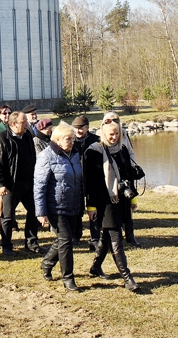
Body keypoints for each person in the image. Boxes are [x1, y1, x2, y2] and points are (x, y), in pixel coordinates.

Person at [84, 115, 141, 292]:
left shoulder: (122, 149)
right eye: (110, 134)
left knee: (107, 237)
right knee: (116, 239)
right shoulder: (93, 152)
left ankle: (95, 266)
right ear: (102, 133)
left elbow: (128, 176)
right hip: (103, 202)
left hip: (120, 199)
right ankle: (128, 278)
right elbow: (89, 183)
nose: (114, 137)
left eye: (117, 133)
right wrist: (91, 207)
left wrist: (132, 198)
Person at [34, 122, 83, 291]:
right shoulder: (47, 156)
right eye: (68, 139)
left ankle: (47, 263)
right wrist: (41, 212)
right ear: (57, 140)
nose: (71, 142)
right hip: (56, 206)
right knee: (66, 241)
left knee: (64, 239)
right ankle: (68, 278)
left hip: (74, 204)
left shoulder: (75, 154)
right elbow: (39, 185)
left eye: (73, 139)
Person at [0, 111, 43, 255]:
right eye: (23, 122)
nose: (26, 125)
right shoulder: (2, 139)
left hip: (28, 182)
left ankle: (31, 242)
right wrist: (0, 184)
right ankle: (7, 246)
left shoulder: (27, 135)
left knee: (34, 211)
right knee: (7, 216)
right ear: (14, 124)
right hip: (11, 185)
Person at [100, 112, 143, 248]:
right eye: (109, 120)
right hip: (112, 178)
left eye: (115, 120)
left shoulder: (123, 134)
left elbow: (130, 151)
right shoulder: (101, 140)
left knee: (128, 207)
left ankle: (130, 236)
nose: (112, 122)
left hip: (125, 173)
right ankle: (112, 239)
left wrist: (131, 166)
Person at [72, 115, 101, 250]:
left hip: (92, 179)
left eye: (81, 128)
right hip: (76, 179)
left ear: (87, 128)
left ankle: (95, 237)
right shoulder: (71, 141)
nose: (78, 131)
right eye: (76, 128)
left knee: (93, 208)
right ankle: (76, 235)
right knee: (77, 209)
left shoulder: (96, 141)